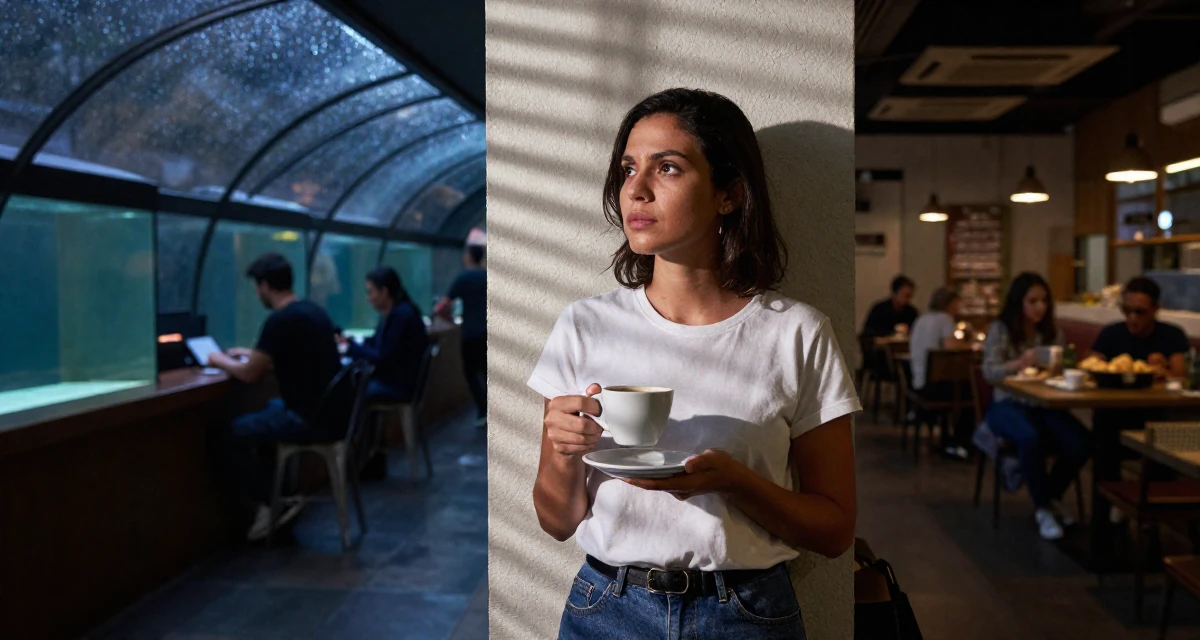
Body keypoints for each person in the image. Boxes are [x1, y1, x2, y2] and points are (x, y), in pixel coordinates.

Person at [528, 88, 859, 639]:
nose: (635, 188)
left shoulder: (795, 333)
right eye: (628, 168)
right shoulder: (584, 326)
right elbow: (556, 521)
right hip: (607, 610)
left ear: (728, 194)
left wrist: (736, 483)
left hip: (748, 614)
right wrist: (563, 452)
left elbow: (834, 530)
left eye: (668, 168)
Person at [208, 253, 349, 541]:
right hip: (333, 414)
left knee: (226, 435)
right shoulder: (312, 311)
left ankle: (269, 503)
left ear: (264, 286)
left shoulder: (279, 321)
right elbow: (283, 358)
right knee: (269, 410)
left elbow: (249, 375)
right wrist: (250, 355)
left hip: (309, 419)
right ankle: (282, 496)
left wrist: (216, 359)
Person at [982, 272, 1090, 541]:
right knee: (1030, 439)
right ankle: (1042, 508)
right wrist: (1020, 363)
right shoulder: (1001, 329)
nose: (1039, 307)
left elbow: (1061, 372)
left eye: (1044, 301)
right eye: (1033, 301)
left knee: (1082, 442)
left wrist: (1063, 367)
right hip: (1006, 405)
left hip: (1044, 404)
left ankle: (1051, 497)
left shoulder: (1053, 333)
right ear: (1019, 302)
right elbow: (990, 372)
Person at [340, 266, 429, 404]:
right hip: (404, 381)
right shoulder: (401, 312)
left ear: (384, 292)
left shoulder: (400, 317)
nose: (368, 297)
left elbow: (382, 358)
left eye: (371, 292)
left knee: (348, 390)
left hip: (398, 386)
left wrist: (351, 348)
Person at [907, 287, 971, 458]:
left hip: (918, 384)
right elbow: (952, 347)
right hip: (935, 387)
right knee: (972, 393)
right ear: (949, 304)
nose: (958, 308)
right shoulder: (945, 319)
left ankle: (949, 438)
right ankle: (959, 442)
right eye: (957, 304)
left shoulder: (921, 319)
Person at [1091, 276, 1189, 377]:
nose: (1132, 318)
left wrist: (1163, 370)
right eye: (1127, 310)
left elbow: (1181, 378)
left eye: (1140, 312)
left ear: (1155, 309)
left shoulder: (1173, 335)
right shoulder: (1110, 333)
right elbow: (1091, 366)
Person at [435, 243, 487, 425]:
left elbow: (441, 307)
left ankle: (484, 410)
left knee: (471, 373)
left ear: (468, 257)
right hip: (489, 332)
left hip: (471, 333)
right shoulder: (488, 277)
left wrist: (449, 320)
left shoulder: (463, 278)